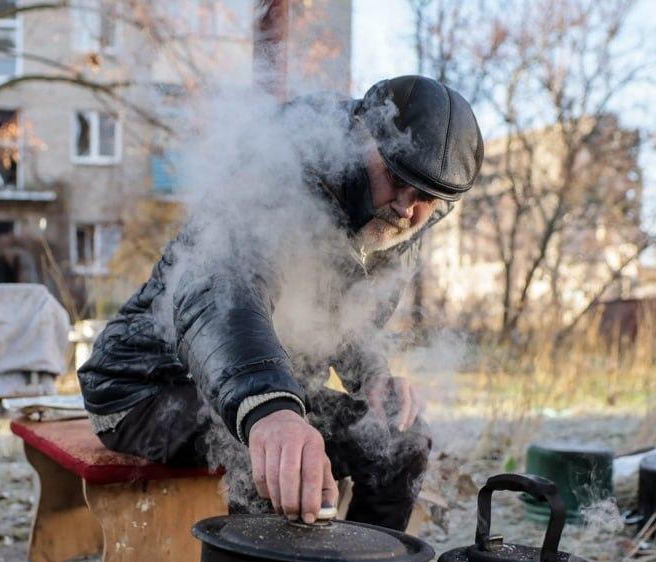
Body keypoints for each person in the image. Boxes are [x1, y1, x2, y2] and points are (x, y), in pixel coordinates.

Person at [78, 75, 484, 531]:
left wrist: (372, 377)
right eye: (394, 178)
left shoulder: (395, 224)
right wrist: (270, 409)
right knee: (271, 460)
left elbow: (340, 321)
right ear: (358, 137)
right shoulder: (279, 165)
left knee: (402, 442)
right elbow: (221, 291)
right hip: (146, 387)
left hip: (265, 385)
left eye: (428, 198)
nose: (407, 208)